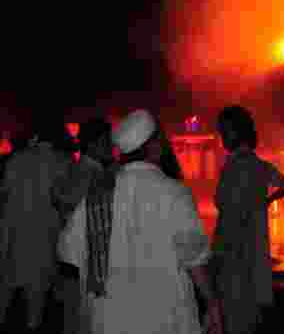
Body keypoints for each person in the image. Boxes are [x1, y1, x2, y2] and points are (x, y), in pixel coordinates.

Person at [57, 109, 222, 334]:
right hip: (163, 319)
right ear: (153, 147)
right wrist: (212, 303)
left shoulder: (96, 195)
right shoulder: (174, 192)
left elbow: (67, 251)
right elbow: (194, 256)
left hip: (108, 321)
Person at [213, 105, 284, 334]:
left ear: (233, 133)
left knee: (234, 310)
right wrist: (267, 201)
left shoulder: (232, 166)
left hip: (231, 247)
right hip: (255, 245)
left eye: (224, 132)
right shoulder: (261, 165)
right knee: (251, 310)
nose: (222, 137)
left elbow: (221, 202)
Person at [0, 116, 74, 331]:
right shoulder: (61, 162)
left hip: (11, 240)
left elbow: (4, 195)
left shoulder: (15, 159)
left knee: (5, 297)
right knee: (35, 309)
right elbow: (66, 202)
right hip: (42, 242)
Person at [52, 117, 116, 334]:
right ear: (93, 144)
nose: (112, 147)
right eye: (107, 142)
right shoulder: (92, 174)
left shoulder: (80, 168)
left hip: (75, 261)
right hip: (85, 263)